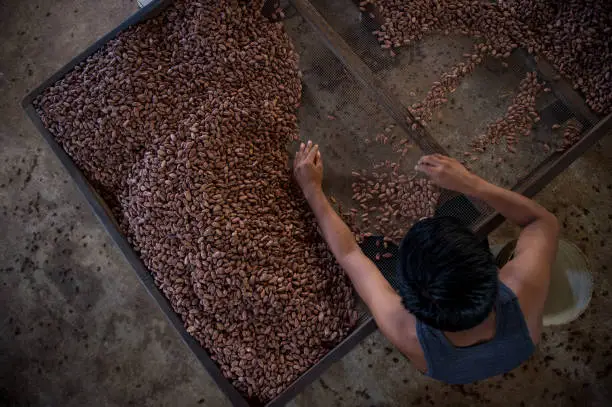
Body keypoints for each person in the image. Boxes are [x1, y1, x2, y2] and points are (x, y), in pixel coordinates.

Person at [293, 140, 559, 384]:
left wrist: (312, 190)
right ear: (490, 270)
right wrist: (470, 184)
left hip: (450, 369)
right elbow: (543, 221)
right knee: (460, 208)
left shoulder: (406, 331)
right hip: (514, 351)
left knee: (371, 246)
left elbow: (350, 254)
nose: (421, 219)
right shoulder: (523, 290)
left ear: (409, 301)